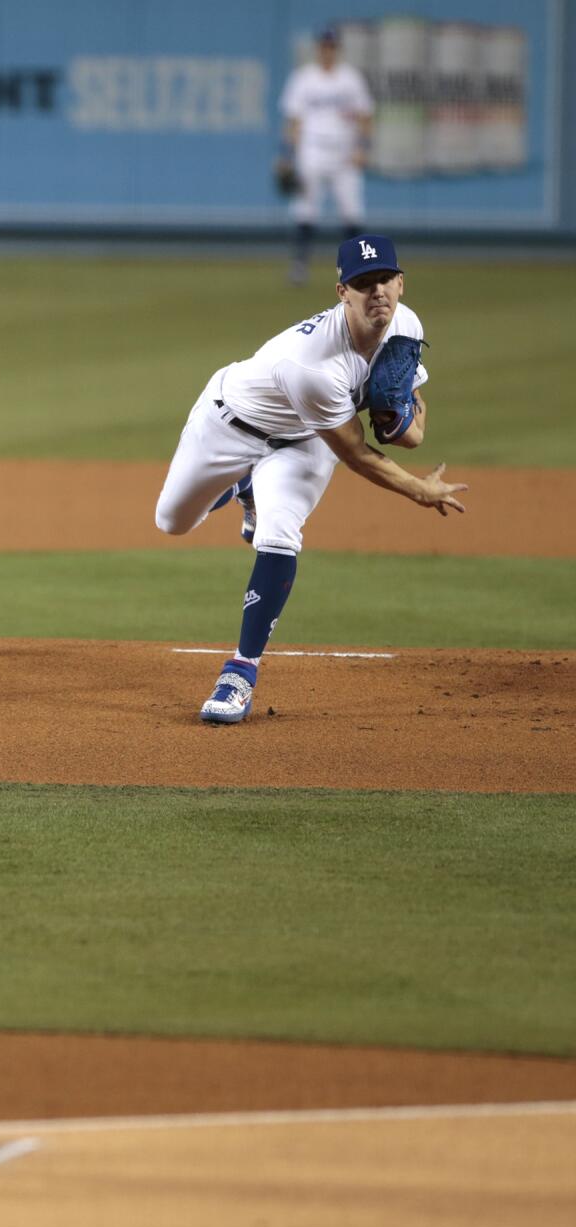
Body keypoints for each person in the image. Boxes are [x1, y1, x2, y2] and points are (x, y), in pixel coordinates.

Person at [154, 234, 466, 724]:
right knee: (172, 522)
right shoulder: (313, 365)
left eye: (384, 279)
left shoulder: (406, 326)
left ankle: (240, 673)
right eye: (364, 283)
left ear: (401, 283)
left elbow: (412, 427)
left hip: (305, 442)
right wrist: (420, 490)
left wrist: (405, 425)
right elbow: (359, 455)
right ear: (343, 291)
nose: (377, 292)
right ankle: (243, 484)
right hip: (231, 424)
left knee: (279, 533)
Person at [279, 27, 376, 285]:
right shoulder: (304, 78)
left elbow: (366, 116)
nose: (327, 50)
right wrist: (286, 155)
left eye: (331, 46)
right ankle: (300, 265)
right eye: (324, 46)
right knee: (305, 209)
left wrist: (363, 148)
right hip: (312, 149)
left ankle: (359, 268)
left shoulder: (350, 79)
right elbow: (293, 120)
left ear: (337, 49)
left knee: (352, 211)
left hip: (344, 152)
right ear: (318, 48)